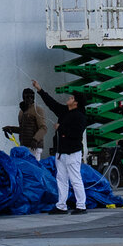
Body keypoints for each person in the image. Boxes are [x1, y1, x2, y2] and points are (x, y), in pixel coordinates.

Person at [33, 79, 91, 212]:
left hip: (72, 153)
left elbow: (76, 133)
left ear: (75, 102)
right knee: (61, 179)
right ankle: (61, 205)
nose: (68, 98)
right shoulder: (65, 111)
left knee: (75, 179)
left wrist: (61, 128)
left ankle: (81, 206)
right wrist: (39, 89)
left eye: (71, 98)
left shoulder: (80, 116)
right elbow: (51, 103)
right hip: (61, 153)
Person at [15, 87, 46, 158]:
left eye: (32, 97)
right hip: (24, 146)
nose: (30, 99)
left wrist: (35, 140)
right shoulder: (22, 111)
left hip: (34, 147)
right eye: (27, 97)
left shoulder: (37, 109)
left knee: (34, 167)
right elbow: (23, 129)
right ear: (23, 97)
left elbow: (43, 128)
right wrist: (10, 129)